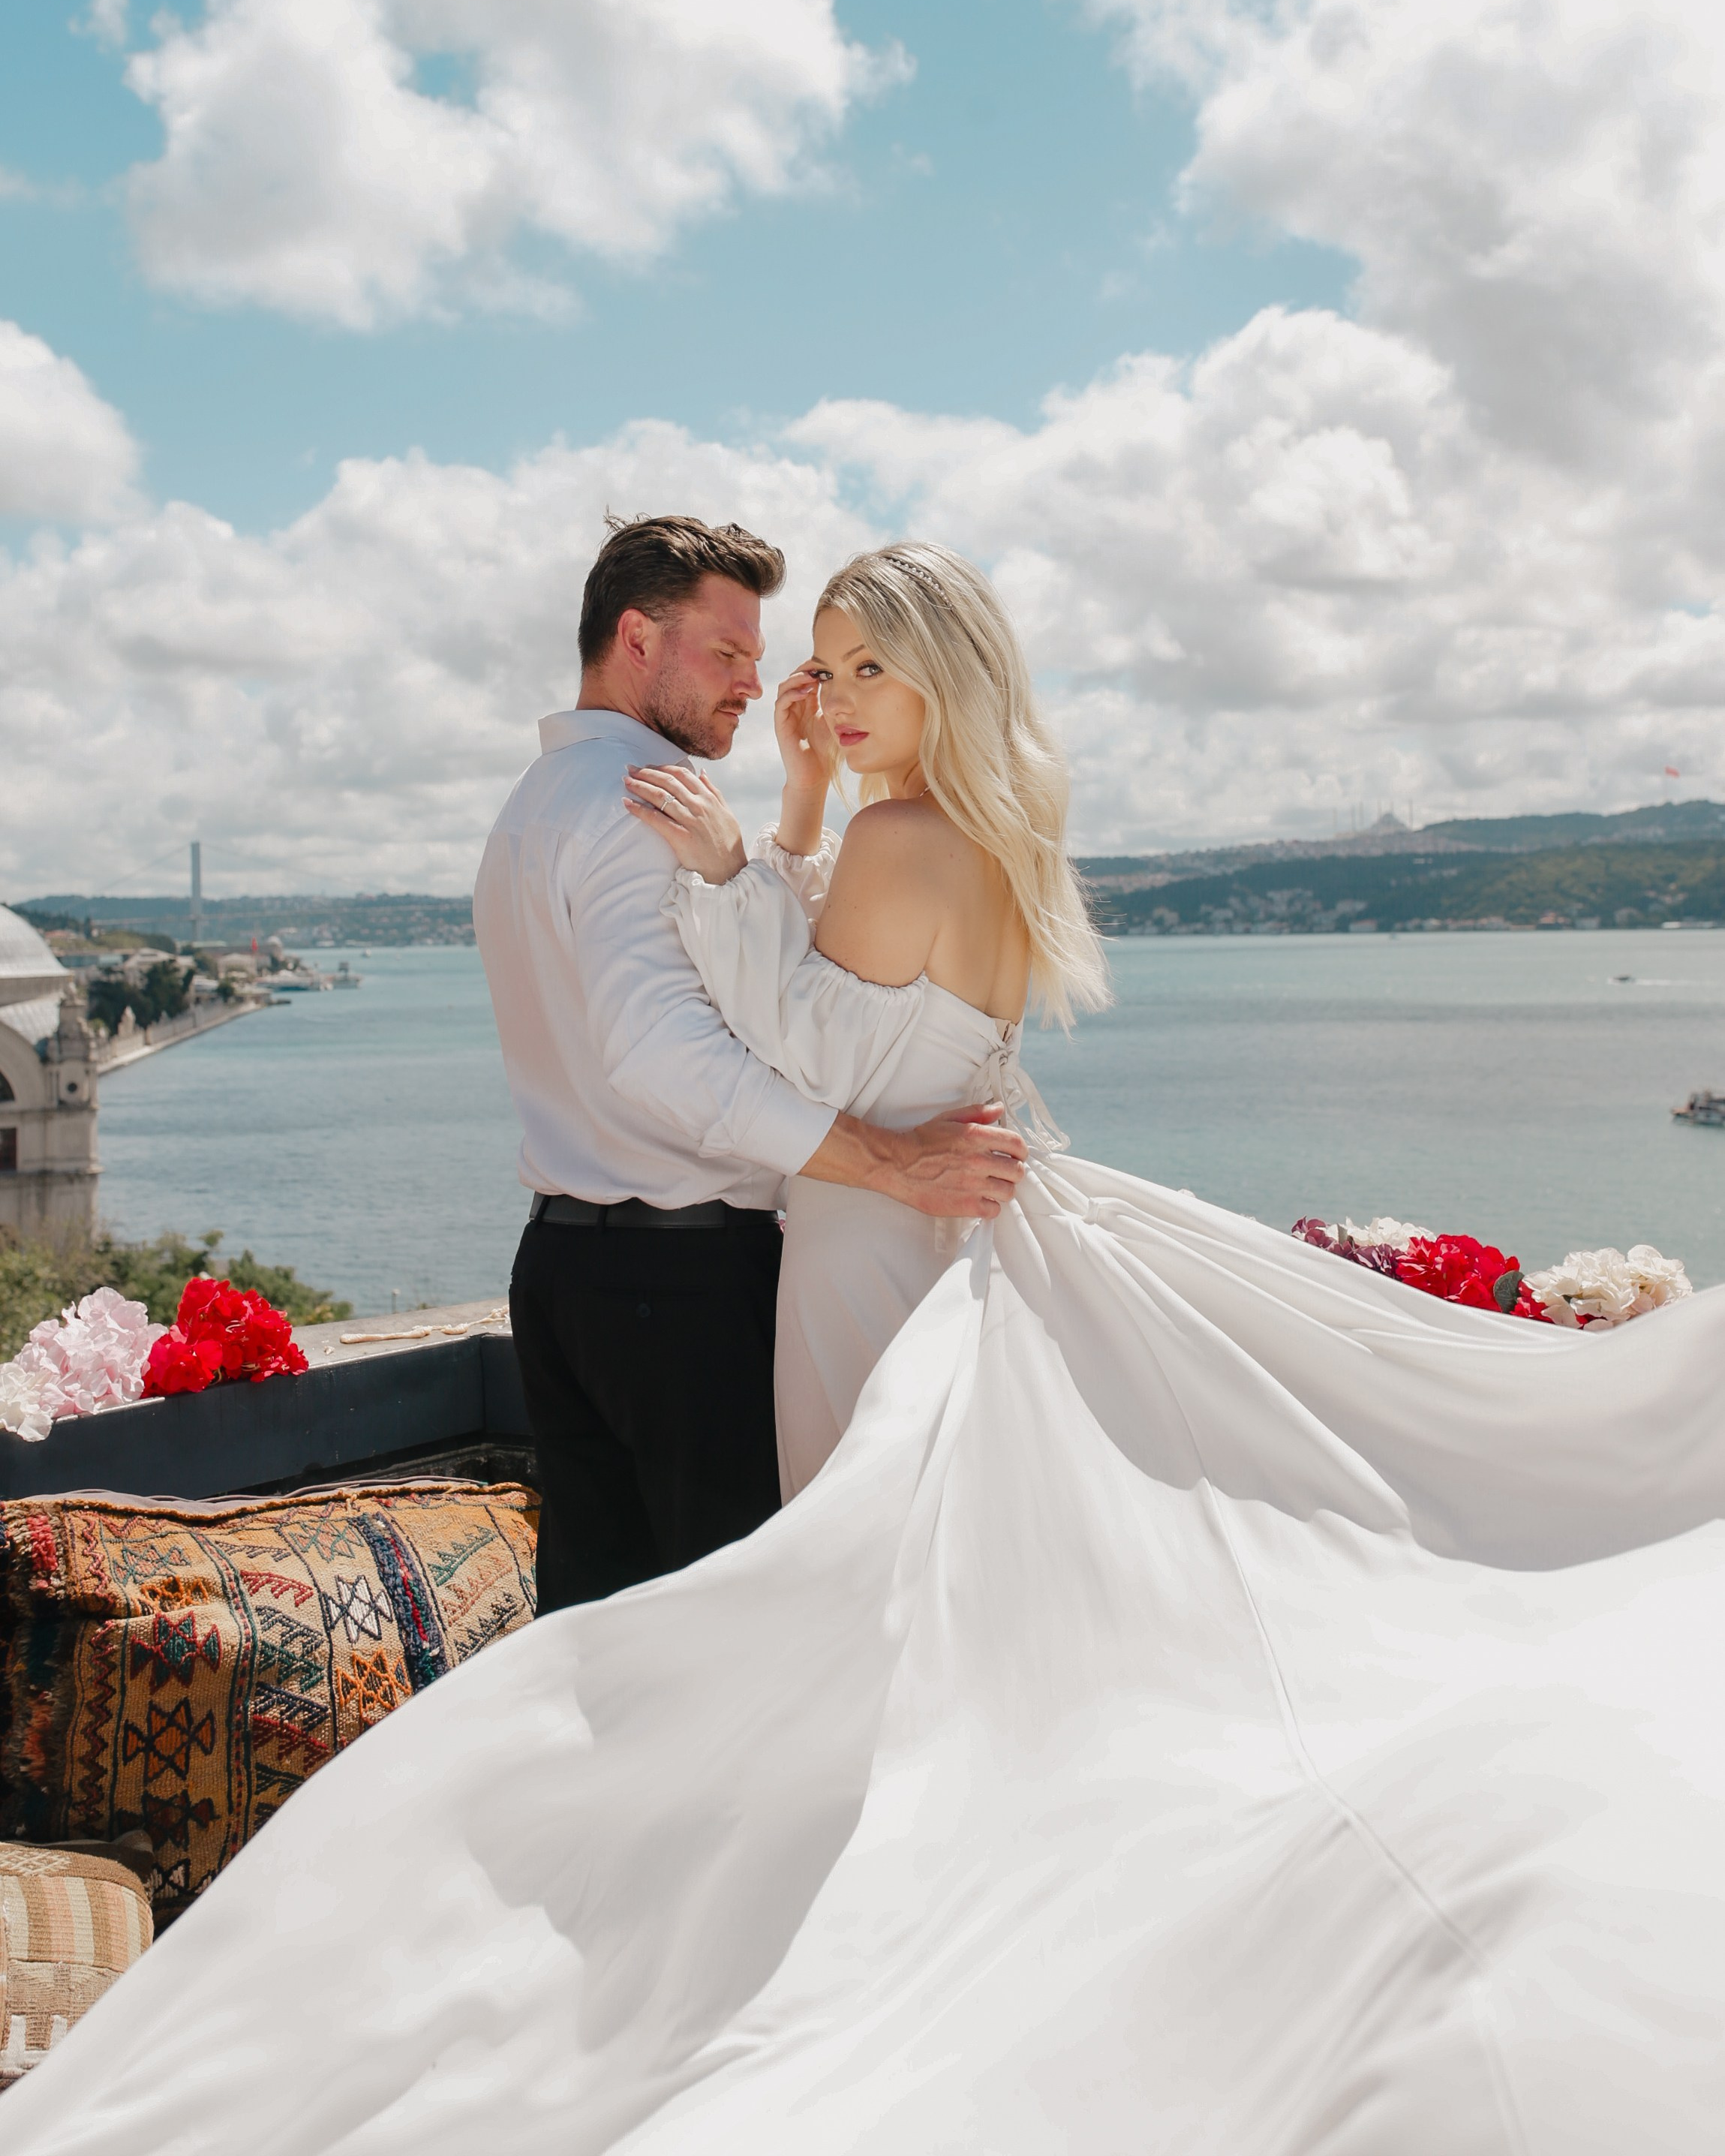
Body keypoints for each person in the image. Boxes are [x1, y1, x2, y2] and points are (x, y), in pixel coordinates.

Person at [11, 543, 1725, 2155]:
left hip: (857, 1251)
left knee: (846, 1615)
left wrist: (729, 863)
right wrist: (796, 815)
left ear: (946, 681)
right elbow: (836, 976)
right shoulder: (935, 827)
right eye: (808, 667)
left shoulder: (907, 838)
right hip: (885, 1233)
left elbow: (791, 1033)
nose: (815, 695)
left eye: (854, 668)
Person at [472, 513, 1026, 1609]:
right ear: (637, 641)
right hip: (678, 1295)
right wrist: (885, 1164)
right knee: (740, 1633)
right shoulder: (651, 806)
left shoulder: (528, 810)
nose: (754, 685)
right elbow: (667, 1055)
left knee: (599, 1638)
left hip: (559, 1281)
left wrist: (785, 826)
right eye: (726, 655)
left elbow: (797, 986)